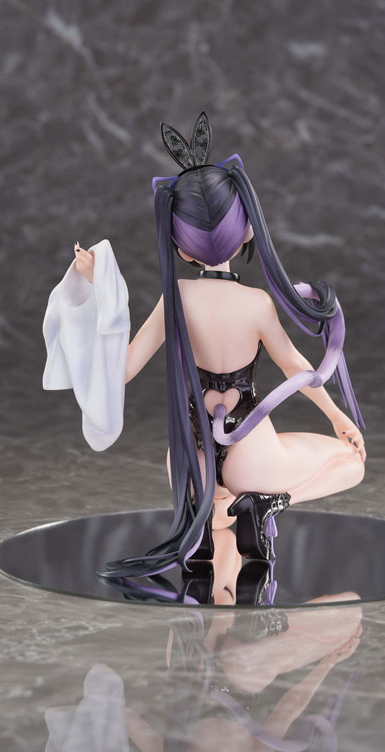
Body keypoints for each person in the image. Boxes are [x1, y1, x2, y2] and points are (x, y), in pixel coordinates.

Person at [72, 112, 366, 579]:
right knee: (351, 463)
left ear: (180, 246)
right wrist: (336, 416)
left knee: (216, 521)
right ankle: (263, 503)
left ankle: (217, 517)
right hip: (253, 453)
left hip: (190, 462)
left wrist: (98, 295)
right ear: (248, 229)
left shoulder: (176, 297)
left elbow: (120, 370)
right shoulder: (257, 303)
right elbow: (297, 367)